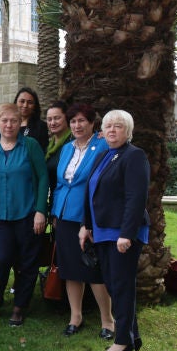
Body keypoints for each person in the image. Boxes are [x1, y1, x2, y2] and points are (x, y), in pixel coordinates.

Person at [80, 110, 149, 351]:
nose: (112, 130)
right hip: (101, 231)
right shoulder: (104, 155)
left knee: (120, 285)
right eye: (108, 126)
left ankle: (122, 341)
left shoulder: (134, 156)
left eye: (118, 126)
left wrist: (127, 234)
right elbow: (92, 193)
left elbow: (136, 198)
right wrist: (85, 225)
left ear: (128, 131)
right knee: (114, 285)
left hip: (122, 234)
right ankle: (132, 335)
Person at [0, 103, 48, 326]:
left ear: (20, 123)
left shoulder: (30, 146)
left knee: (27, 263)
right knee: (0, 260)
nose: (9, 125)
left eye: (14, 121)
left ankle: (19, 307)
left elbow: (43, 177)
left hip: (26, 215)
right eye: (5, 121)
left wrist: (40, 211)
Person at [51, 103, 113, 339]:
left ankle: (108, 320)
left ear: (92, 124)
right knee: (71, 270)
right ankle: (75, 316)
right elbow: (60, 184)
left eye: (81, 121)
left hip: (89, 218)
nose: (77, 125)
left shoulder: (102, 145)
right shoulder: (66, 149)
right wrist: (55, 212)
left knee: (93, 270)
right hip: (64, 217)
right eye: (73, 121)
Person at [14, 87, 48, 153]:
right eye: (22, 101)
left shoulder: (40, 126)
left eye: (30, 102)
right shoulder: (9, 125)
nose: (25, 105)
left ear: (35, 106)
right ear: (16, 103)